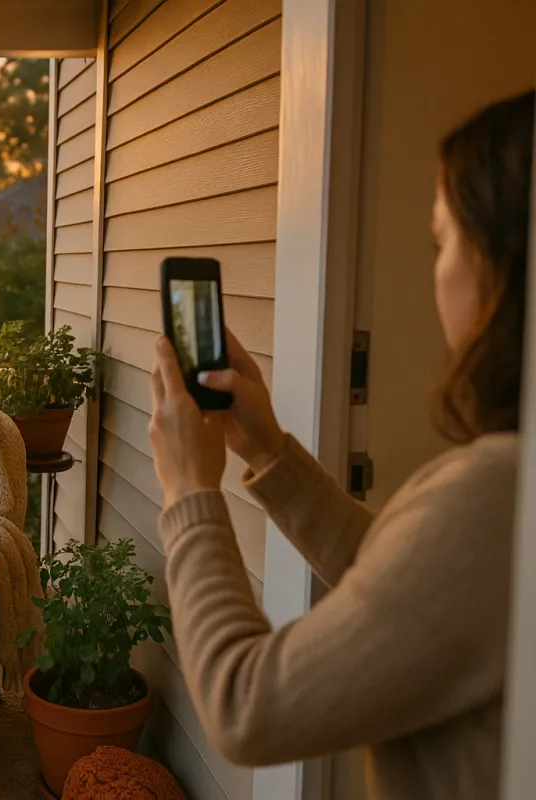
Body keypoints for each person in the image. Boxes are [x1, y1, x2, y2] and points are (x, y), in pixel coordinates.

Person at [147, 88, 533, 800]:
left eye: (442, 241)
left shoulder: (500, 489)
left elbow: (245, 707)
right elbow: (408, 588)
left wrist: (189, 492)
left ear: (503, 266)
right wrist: (266, 449)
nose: (435, 271)